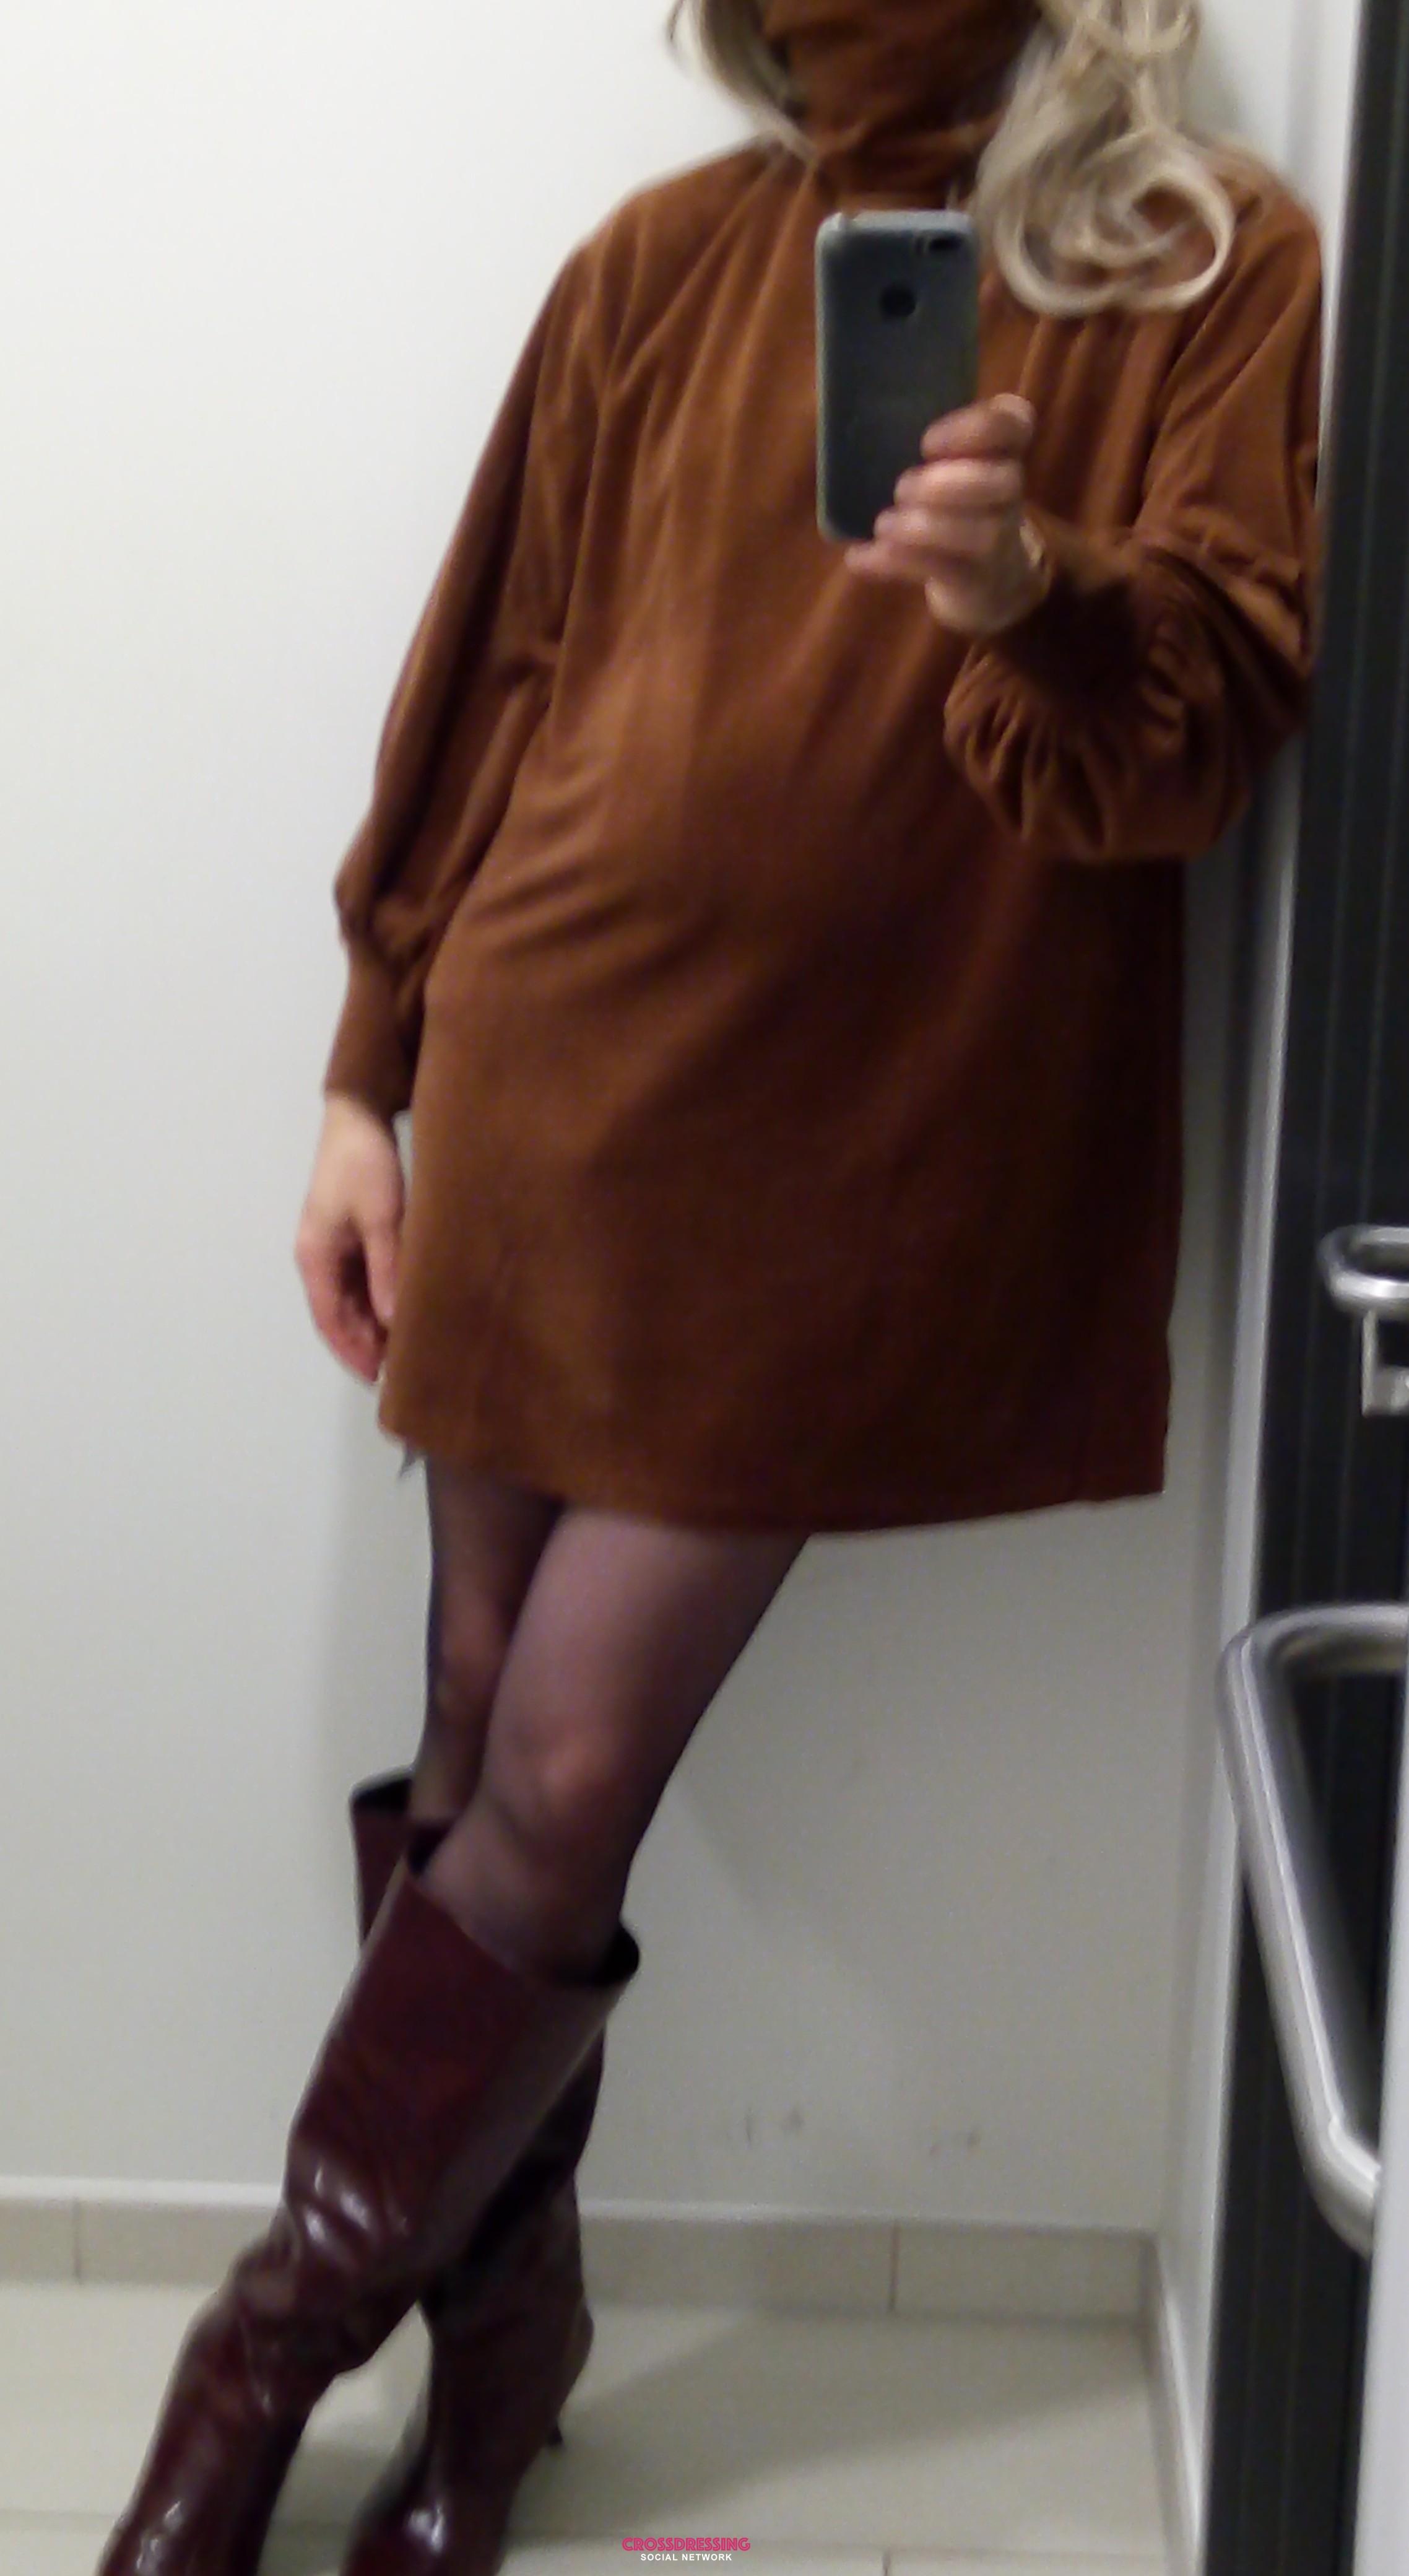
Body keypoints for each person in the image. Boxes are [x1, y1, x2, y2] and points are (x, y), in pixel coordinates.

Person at [96, 0, 1322, 2570]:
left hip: (855, 1153)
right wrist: (362, 1078)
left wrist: (1021, 590)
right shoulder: (654, 264)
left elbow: (1205, 722)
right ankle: (496, 2364)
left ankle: (258, 2361)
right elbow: (491, 682)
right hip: (554, 1088)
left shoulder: (1200, 267)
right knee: (471, 1738)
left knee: (556, 1778)